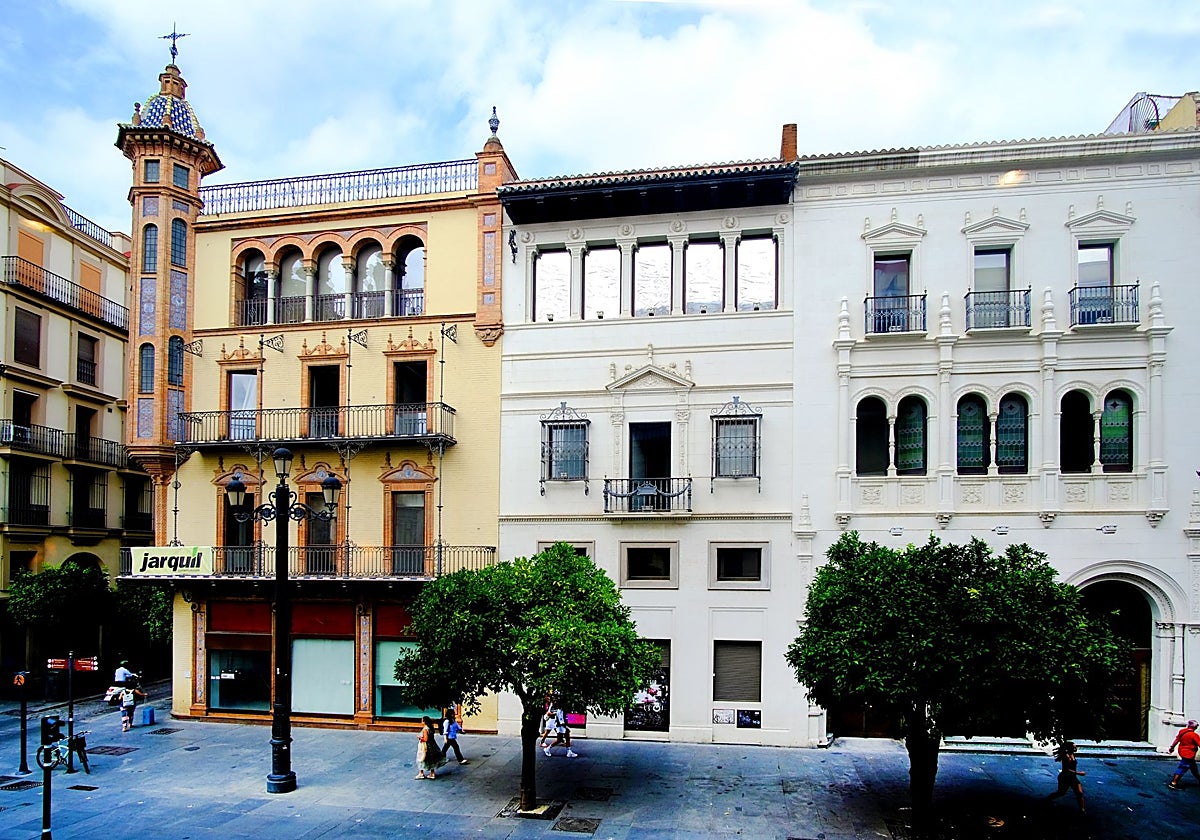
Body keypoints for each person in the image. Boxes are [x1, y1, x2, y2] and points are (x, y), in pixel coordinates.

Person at [1046, 741, 1086, 813]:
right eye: (1074, 747)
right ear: (1070, 748)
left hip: (1073, 777)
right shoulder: (1066, 756)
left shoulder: (1072, 754)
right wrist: (1079, 773)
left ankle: (1082, 809)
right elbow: (1066, 769)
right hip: (1065, 778)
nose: (1076, 748)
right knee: (1061, 793)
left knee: (1079, 793)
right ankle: (1048, 799)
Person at [1167, 719, 1200, 790]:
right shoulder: (1194, 735)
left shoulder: (1182, 732)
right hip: (1189, 754)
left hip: (1182, 752)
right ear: (1195, 727)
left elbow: (1176, 740)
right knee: (1182, 768)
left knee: (1193, 768)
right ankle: (1173, 783)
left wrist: (1172, 747)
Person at [414, 715, 446, 779]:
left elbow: (426, 739)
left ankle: (421, 773)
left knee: (422, 758)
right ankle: (432, 773)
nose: (421, 721)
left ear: (424, 721)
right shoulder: (431, 728)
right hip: (432, 745)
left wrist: (420, 737)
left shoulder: (425, 729)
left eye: (422, 720)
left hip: (426, 746)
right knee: (431, 759)